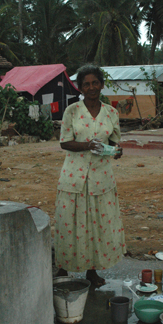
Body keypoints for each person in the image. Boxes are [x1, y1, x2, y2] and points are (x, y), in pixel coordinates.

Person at [54, 64, 126, 287]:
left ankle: (92, 272)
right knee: (70, 223)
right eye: (86, 84)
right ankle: (63, 267)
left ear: (102, 85)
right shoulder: (72, 111)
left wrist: (117, 151)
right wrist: (87, 145)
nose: (91, 87)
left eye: (95, 83)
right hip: (74, 177)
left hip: (101, 179)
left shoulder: (111, 113)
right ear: (80, 87)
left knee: (97, 225)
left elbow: (114, 142)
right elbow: (65, 142)